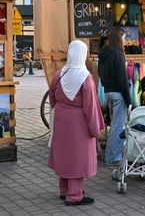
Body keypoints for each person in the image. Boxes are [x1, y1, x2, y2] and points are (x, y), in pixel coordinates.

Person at [48, 40, 105, 206]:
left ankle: (64, 190)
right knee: (77, 158)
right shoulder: (85, 78)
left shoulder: (59, 74)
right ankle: (74, 195)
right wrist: (95, 128)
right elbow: (91, 106)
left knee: (65, 154)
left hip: (61, 119)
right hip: (78, 122)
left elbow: (52, 97)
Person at [98, 26, 131, 166]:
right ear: (118, 38)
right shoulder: (118, 55)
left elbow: (100, 73)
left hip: (108, 92)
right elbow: (122, 80)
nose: (124, 40)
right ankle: (113, 157)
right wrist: (129, 99)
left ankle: (110, 155)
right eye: (123, 37)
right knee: (119, 126)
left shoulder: (104, 53)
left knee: (114, 125)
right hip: (118, 94)